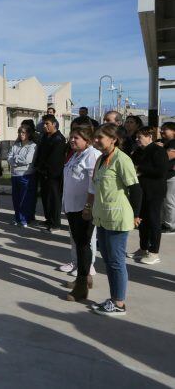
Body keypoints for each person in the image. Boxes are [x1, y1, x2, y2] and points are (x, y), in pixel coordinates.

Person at [88, 123, 142, 316]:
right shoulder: (102, 159)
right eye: (95, 137)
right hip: (103, 217)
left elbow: (135, 189)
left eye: (100, 137)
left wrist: (136, 215)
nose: (96, 140)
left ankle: (119, 303)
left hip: (118, 218)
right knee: (109, 260)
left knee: (116, 261)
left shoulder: (122, 159)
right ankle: (113, 299)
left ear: (113, 139)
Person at [61, 125, 101, 302]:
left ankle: (82, 287)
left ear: (88, 140)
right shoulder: (76, 154)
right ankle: (83, 278)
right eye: (71, 137)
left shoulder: (92, 155)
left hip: (84, 208)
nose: (72, 140)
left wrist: (88, 206)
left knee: (83, 244)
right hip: (73, 206)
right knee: (79, 244)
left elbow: (94, 183)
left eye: (76, 138)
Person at [131, 126, 168, 265]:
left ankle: (154, 252)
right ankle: (143, 248)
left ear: (149, 137)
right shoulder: (138, 152)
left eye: (140, 137)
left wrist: (140, 169)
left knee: (153, 220)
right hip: (141, 190)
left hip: (154, 191)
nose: (137, 139)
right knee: (142, 221)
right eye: (136, 137)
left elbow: (160, 171)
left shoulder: (158, 151)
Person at [34, 114, 66, 232]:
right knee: (46, 198)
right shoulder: (45, 137)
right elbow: (40, 154)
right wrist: (39, 168)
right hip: (43, 173)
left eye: (47, 124)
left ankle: (56, 223)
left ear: (54, 124)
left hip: (54, 175)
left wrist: (46, 170)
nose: (45, 126)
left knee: (54, 199)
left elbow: (55, 159)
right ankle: (48, 219)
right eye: (44, 124)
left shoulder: (59, 139)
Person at [7, 124, 37, 227]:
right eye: (20, 132)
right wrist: (17, 159)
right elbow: (9, 159)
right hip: (15, 175)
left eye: (23, 132)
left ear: (28, 134)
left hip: (26, 175)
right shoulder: (15, 145)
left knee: (25, 199)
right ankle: (17, 218)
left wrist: (15, 158)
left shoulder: (32, 145)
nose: (21, 134)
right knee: (16, 199)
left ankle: (24, 219)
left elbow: (28, 160)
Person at [159, 121, 175, 234]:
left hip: (171, 176)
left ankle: (170, 224)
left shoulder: (173, 143)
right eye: (162, 128)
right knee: (164, 200)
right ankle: (165, 222)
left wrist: (161, 149)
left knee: (169, 200)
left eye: (165, 129)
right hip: (164, 176)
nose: (162, 131)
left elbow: (167, 156)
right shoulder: (163, 142)